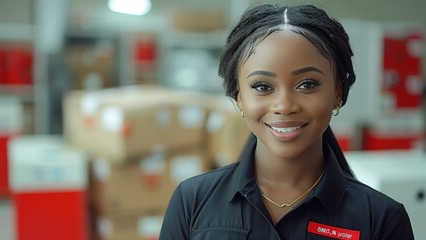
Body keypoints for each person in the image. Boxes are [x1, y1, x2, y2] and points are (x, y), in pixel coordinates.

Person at [159, 3, 415, 239]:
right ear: (239, 98)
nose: (284, 106)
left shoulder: (382, 219)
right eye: (262, 86)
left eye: (307, 84)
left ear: (337, 93)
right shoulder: (192, 202)